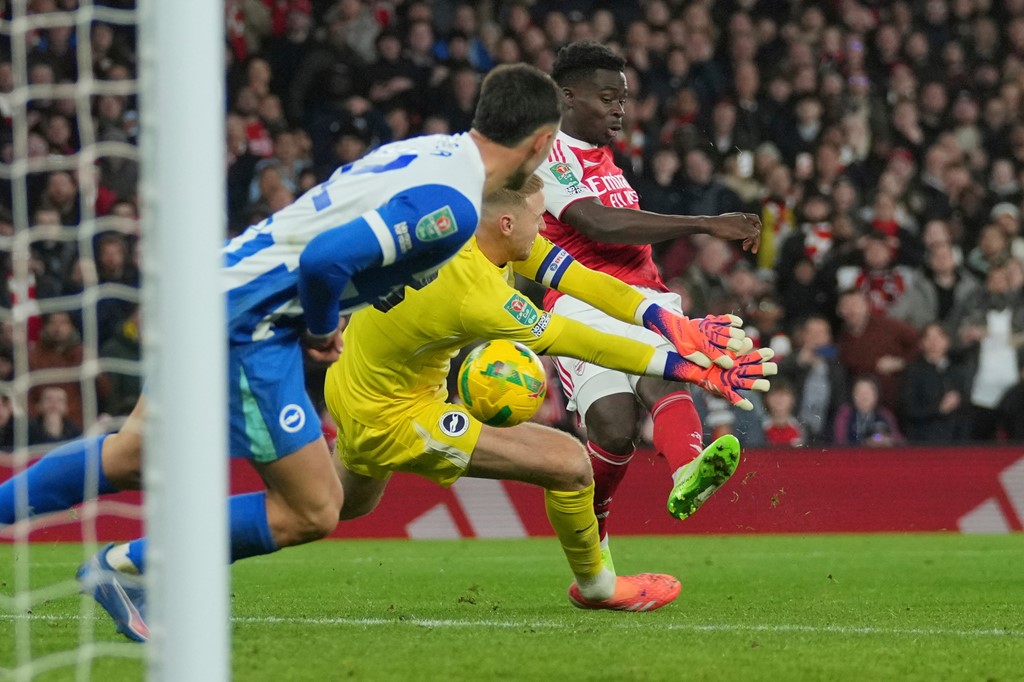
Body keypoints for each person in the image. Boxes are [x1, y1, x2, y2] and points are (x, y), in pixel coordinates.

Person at [0, 63, 565, 642]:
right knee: (314, 509)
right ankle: (129, 567)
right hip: (250, 323)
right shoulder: (455, 207)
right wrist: (322, 330)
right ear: (542, 142)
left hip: (217, 286)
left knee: (129, 457)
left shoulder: (429, 151)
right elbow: (325, 259)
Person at [325, 176, 774, 611]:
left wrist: (671, 324)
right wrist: (687, 370)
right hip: (393, 415)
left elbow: (585, 280)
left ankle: (276, 507)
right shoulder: (476, 295)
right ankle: (597, 586)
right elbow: (583, 341)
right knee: (569, 465)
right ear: (505, 223)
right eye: (538, 218)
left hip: (356, 381)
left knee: (323, 510)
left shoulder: (473, 231)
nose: (544, 227)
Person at [533, 41, 762, 568]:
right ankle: (595, 538)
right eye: (607, 96)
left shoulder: (606, 157)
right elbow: (596, 223)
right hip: (581, 301)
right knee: (613, 427)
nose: (619, 108)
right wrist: (704, 222)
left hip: (645, 297)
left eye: (624, 98)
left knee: (661, 375)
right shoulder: (548, 153)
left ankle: (687, 470)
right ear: (567, 96)